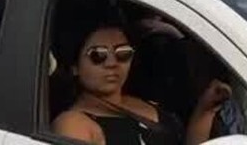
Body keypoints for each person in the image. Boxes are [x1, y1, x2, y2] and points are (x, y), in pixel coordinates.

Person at [52, 15, 229, 145]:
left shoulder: (143, 101)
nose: (112, 63)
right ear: (74, 66)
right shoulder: (73, 124)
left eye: (123, 54)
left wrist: (205, 110)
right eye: (98, 55)